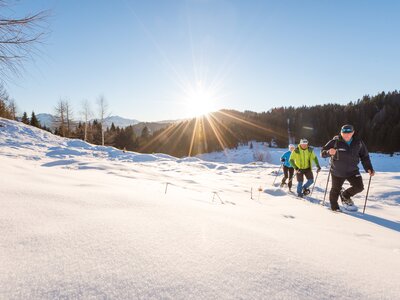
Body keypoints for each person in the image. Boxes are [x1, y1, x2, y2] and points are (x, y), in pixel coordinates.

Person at [321, 124, 375, 212]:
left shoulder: (359, 143)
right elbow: (322, 153)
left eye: (349, 132)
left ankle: (345, 195)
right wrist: (328, 152)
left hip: (352, 170)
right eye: (344, 132)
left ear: (353, 132)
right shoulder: (334, 142)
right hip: (337, 170)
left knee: (359, 187)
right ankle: (334, 208)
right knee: (335, 189)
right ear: (341, 133)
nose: (346, 135)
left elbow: (364, 156)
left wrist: (369, 168)